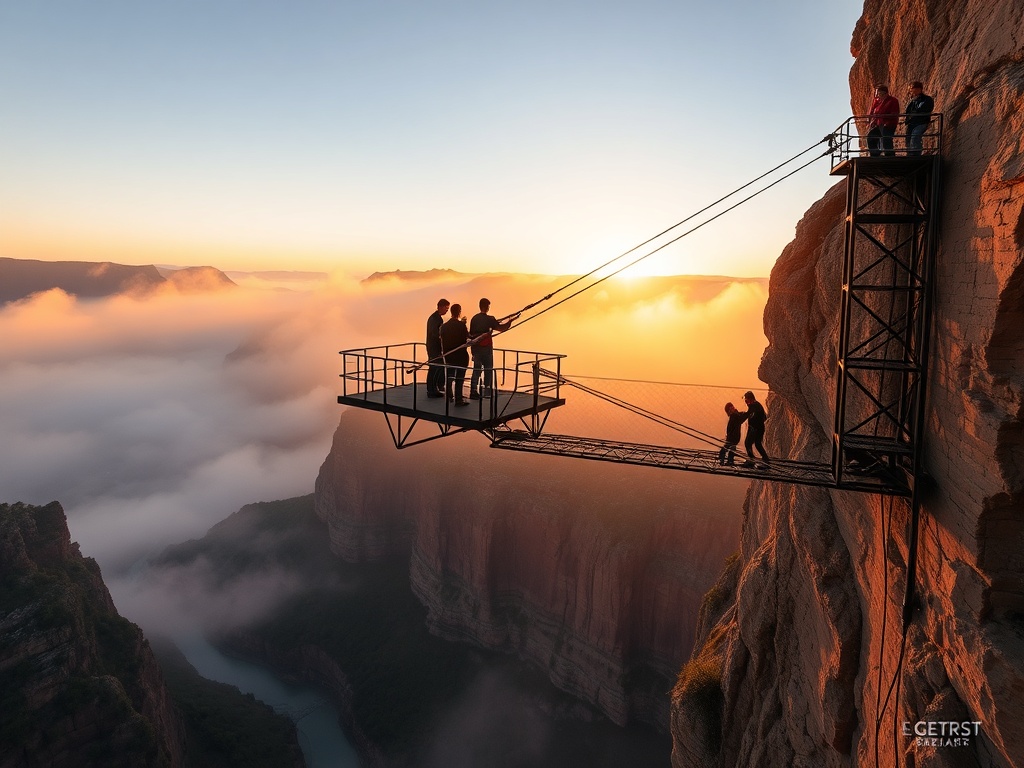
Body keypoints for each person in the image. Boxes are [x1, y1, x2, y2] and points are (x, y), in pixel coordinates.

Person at [468, 298, 513, 399]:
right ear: (487, 307)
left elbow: (471, 335)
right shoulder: (490, 319)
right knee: (488, 370)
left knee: (476, 370)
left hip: (476, 349)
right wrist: (510, 322)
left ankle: (473, 390)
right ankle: (487, 392)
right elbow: (501, 328)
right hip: (486, 350)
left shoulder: (474, 319)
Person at [440, 303, 470, 406]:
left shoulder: (444, 327)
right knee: (459, 379)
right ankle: (458, 399)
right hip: (460, 356)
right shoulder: (461, 326)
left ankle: (449, 396)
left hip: (448, 355)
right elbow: (467, 338)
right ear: (459, 312)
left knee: (449, 376)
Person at [425, 298, 450, 398]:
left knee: (437, 367)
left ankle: (436, 387)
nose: (446, 311)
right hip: (433, 347)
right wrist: (443, 335)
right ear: (441, 306)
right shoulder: (435, 319)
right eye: (446, 308)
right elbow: (434, 333)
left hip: (435, 347)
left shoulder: (436, 318)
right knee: (435, 367)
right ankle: (432, 389)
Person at [867, 85, 900, 157]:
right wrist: (874, 121)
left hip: (889, 123)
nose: (878, 96)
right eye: (878, 94)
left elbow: (894, 113)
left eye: (880, 94)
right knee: (871, 136)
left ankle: (889, 155)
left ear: (885, 93)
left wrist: (886, 119)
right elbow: (875, 112)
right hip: (879, 124)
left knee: (886, 138)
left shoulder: (893, 101)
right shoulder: (879, 102)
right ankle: (875, 154)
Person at [904, 81, 934, 156]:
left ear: (919, 89)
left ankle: (916, 154)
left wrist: (914, 112)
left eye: (912, 88)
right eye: (911, 89)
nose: (911, 90)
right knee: (908, 138)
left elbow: (922, 109)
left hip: (921, 122)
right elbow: (908, 111)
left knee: (915, 135)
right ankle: (910, 154)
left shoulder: (926, 99)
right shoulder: (913, 101)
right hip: (912, 122)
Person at [741, 390, 769, 468]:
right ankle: (765, 459)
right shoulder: (756, 405)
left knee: (748, 443)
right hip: (758, 428)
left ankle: (751, 460)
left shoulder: (754, 406)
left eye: (746, 400)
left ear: (750, 399)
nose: (746, 402)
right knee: (757, 444)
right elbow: (764, 417)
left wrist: (738, 419)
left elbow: (747, 415)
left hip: (755, 429)